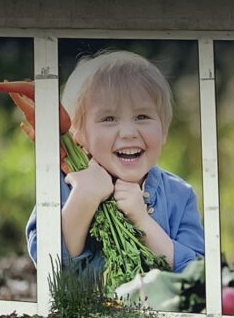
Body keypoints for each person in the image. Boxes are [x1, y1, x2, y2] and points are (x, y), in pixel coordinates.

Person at [25, 49, 204, 287]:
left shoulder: (180, 195)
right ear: (79, 135)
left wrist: (142, 220)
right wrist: (83, 198)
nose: (128, 132)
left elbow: (197, 275)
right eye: (108, 119)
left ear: (164, 130)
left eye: (142, 116)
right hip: (86, 312)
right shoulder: (65, 185)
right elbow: (50, 264)